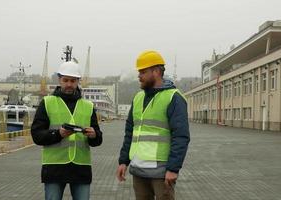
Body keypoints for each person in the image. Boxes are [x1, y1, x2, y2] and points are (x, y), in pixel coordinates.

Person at [116, 50, 190, 200]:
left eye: (143, 71)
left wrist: (173, 169)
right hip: (138, 170)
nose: (139, 76)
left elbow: (180, 136)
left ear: (156, 71)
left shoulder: (174, 98)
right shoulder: (138, 98)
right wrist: (123, 161)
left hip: (161, 172)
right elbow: (130, 132)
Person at [31, 61, 103, 200]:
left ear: (78, 81)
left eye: (73, 81)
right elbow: (37, 135)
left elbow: (98, 139)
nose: (69, 84)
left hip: (81, 168)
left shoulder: (88, 106)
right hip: (54, 168)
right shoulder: (47, 102)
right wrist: (58, 134)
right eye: (66, 80)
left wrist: (94, 135)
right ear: (59, 80)